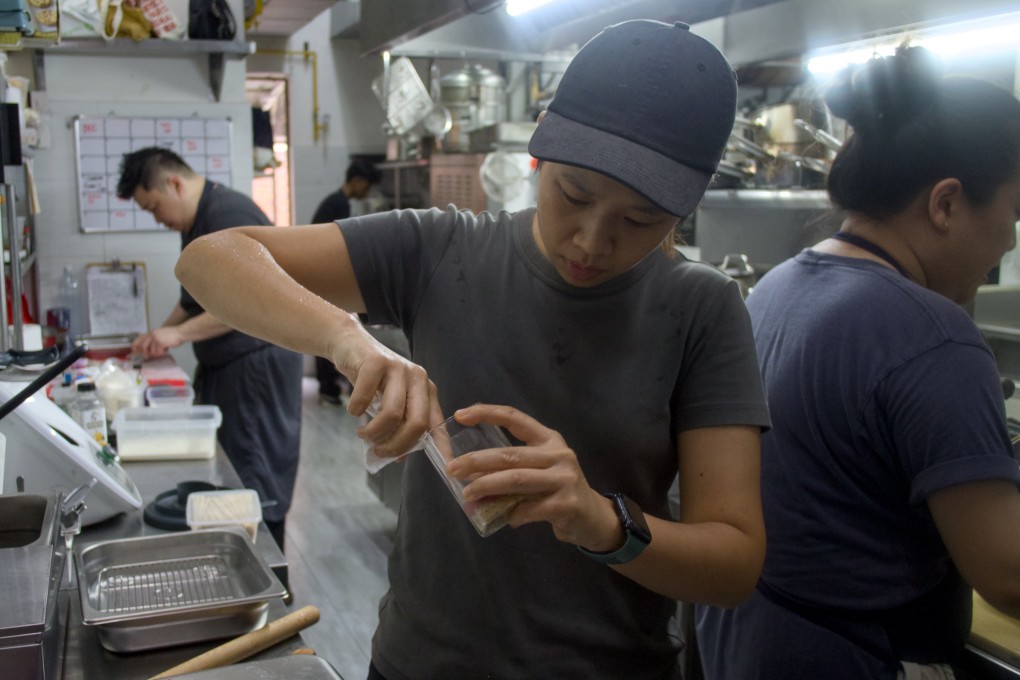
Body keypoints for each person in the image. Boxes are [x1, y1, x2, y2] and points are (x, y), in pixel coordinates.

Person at [176, 20, 769, 679]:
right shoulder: (442, 251)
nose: (592, 242)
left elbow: (735, 563)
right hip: (421, 664)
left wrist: (601, 521)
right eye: (574, 195)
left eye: (641, 220)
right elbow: (212, 259)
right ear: (539, 152)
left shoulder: (702, 308)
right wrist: (349, 340)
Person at [696, 46, 1020, 679]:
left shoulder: (783, 285)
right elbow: (1007, 574)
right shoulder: (932, 339)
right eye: (1012, 213)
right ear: (946, 203)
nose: (1008, 240)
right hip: (847, 658)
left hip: (746, 645)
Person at [117, 147, 303, 552]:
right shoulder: (198, 219)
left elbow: (252, 302)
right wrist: (158, 334)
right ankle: (238, 556)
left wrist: (179, 337)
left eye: (153, 207)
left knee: (255, 472)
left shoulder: (227, 217)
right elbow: (193, 300)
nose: (157, 219)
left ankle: (271, 576)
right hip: (230, 364)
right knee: (232, 466)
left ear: (175, 184)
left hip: (256, 364)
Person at [312, 157, 382, 405]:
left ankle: (329, 385)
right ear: (357, 180)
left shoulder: (335, 200)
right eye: (368, 185)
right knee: (330, 331)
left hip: (320, 273)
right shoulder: (339, 204)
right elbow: (337, 247)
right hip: (323, 276)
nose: (368, 191)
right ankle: (329, 387)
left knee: (327, 331)